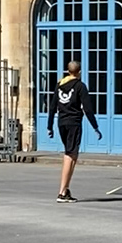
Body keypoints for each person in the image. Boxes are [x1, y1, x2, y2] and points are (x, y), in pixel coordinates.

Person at [48, 60, 102, 202]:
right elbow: (88, 109)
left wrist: (49, 126)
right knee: (70, 155)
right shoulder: (80, 86)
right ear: (79, 72)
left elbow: (53, 106)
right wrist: (95, 126)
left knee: (73, 154)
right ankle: (61, 192)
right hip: (73, 123)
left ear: (68, 71)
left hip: (62, 122)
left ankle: (66, 190)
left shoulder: (59, 85)